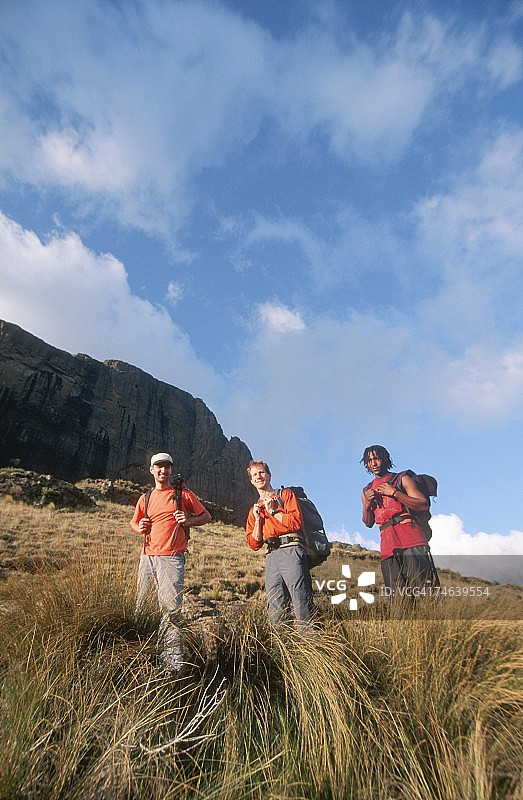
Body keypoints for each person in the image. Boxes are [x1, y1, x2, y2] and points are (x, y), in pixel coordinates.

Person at [130, 452, 211, 672]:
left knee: (170, 610)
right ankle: (144, 658)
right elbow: (133, 523)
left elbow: (206, 516)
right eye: (159, 467)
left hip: (172, 558)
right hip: (147, 558)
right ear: (151, 470)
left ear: (171, 470)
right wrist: (139, 527)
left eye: (167, 467)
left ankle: (173, 666)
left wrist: (189, 520)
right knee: (142, 607)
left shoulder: (183, 494)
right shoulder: (145, 498)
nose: (163, 471)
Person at [246, 460, 315, 631]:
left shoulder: (285, 495)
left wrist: (274, 511)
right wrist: (258, 521)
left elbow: (296, 523)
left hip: (291, 549)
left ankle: (311, 642)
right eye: (255, 475)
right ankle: (280, 644)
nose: (259, 476)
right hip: (271, 555)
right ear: (251, 481)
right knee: (275, 603)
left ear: (269, 475)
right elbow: (254, 544)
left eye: (261, 472)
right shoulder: (254, 510)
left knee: (301, 599)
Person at [360, 445, 438, 595]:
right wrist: (367, 505)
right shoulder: (367, 490)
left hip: (411, 540)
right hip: (388, 547)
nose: (373, 463)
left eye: (376, 458)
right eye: (369, 461)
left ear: (385, 459)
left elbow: (422, 504)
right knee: (397, 597)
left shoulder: (402, 479)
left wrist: (395, 492)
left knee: (424, 591)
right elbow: (368, 522)